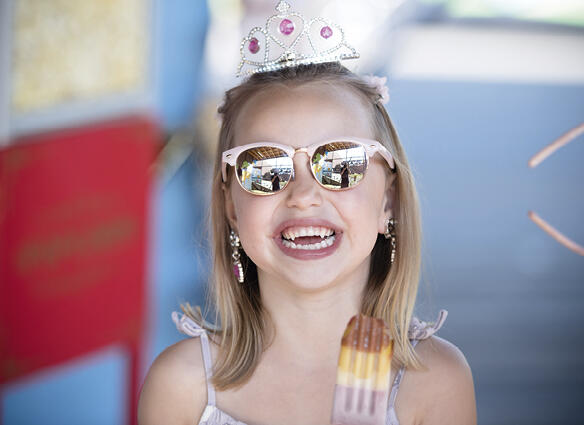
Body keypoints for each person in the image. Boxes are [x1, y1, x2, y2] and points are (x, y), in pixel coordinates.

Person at [138, 2, 477, 425]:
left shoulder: (433, 382)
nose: (303, 195)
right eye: (264, 167)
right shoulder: (183, 385)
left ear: (387, 200)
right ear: (230, 206)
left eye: (341, 164)